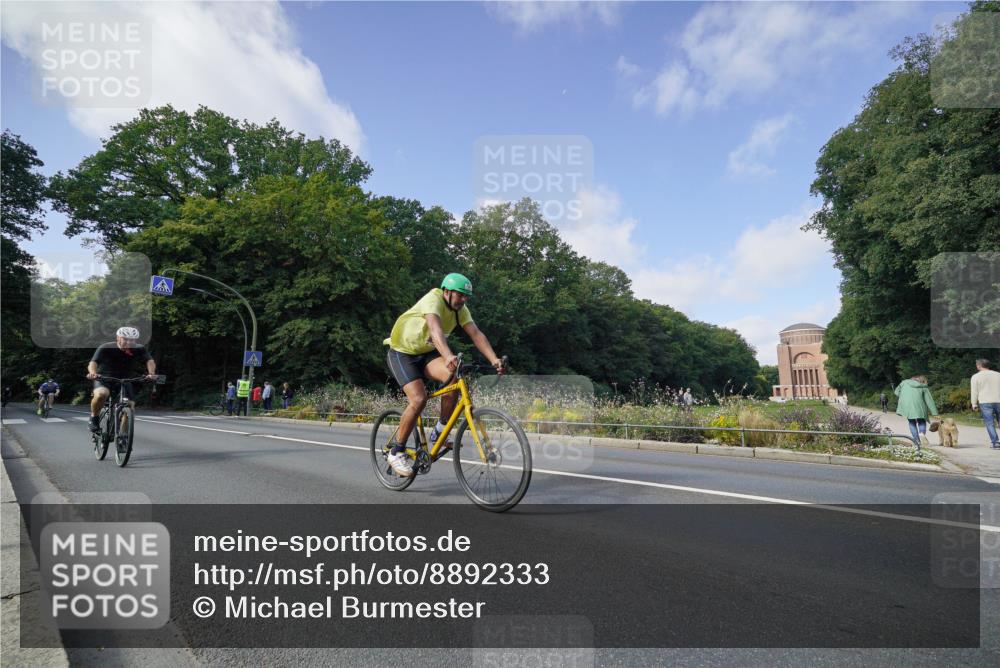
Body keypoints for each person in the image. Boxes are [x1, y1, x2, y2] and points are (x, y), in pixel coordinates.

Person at [383, 273, 504, 477]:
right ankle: (396, 451)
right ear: (447, 291)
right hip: (402, 353)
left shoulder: (460, 310)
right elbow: (435, 329)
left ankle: (439, 430)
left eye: (466, 296)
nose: (464, 300)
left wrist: (494, 359)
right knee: (419, 399)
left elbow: (476, 334)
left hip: (425, 353)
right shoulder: (434, 299)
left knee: (453, 377)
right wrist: (447, 355)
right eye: (460, 295)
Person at [86, 326, 156, 432]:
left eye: (132, 340)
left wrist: (151, 373)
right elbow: (93, 362)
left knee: (130, 406)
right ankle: (94, 418)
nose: (129, 342)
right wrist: (93, 373)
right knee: (101, 394)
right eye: (126, 339)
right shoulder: (106, 347)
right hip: (105, 378)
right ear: (118, 338)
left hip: (126, 379)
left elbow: (149, 361)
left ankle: (123, 436)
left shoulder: (139, 348)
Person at [894, 374, 939, 449]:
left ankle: (917, 441)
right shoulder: (923, 386)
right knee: (921, 421)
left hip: (907, 406)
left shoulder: (904, 383)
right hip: (920, 406)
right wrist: (935, 413)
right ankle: (921, 434)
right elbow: (929, 400)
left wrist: (904, 396)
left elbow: (896, 392)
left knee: (912, 422)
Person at [971, 358, 1000, 449]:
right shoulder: (998, 375)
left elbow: (974, 392)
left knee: (989, 423)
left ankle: (995, 443)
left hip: (985, 402)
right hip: (999, 400)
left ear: (979, 366)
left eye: (977, 365)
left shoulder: (975, 377)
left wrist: (974, 404)